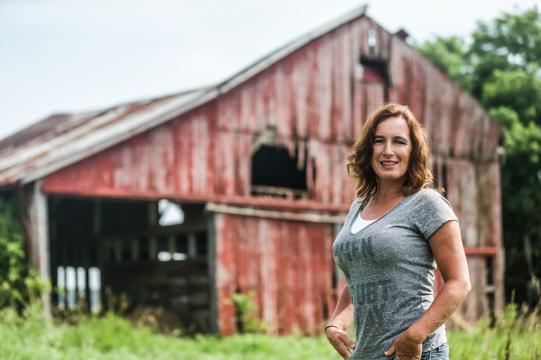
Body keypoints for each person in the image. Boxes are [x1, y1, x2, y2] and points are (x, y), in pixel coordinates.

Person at [325, 103, 471, 360]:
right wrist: (336, 322)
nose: (388, 151)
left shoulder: (426, 203)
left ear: (413, 151)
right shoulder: (357, 208)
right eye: (379, 141)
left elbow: (459, 283)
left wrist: (416, 334)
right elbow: (359, 275)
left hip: (414, 354)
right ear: (368, 149)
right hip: (365, 354)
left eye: (399, 142)